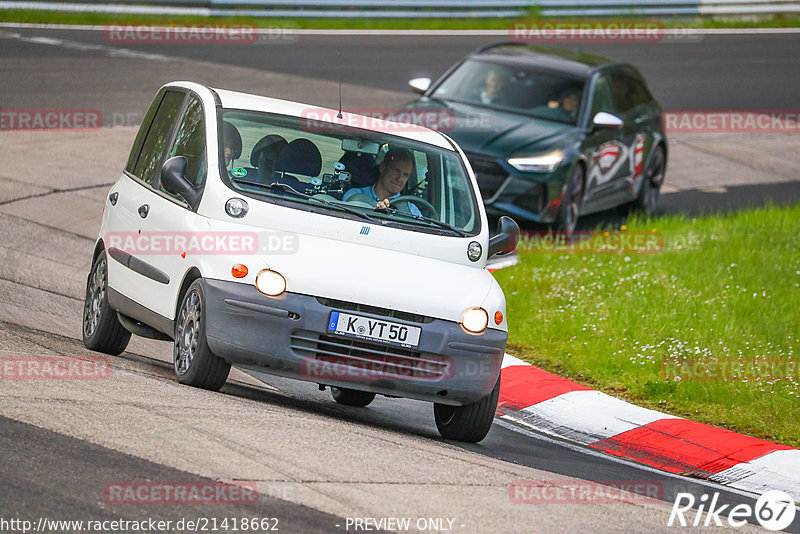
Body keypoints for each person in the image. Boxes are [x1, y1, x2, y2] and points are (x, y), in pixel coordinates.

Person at [343, 148, 423, 217]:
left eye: (405, 175)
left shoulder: (411, 210)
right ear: (382, 168)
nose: (399, 178)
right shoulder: (355, 195)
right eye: (396, 171)